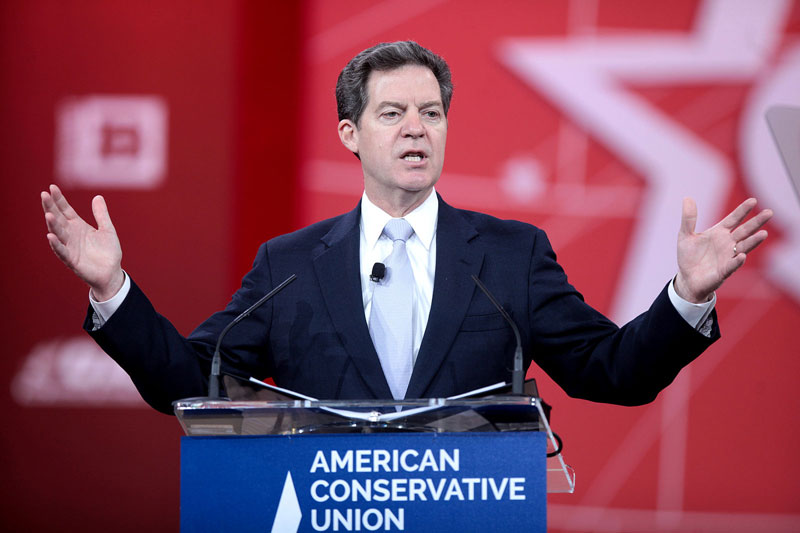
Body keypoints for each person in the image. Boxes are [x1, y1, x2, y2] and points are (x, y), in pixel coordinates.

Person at [41, 41, 772, 415]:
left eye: (433, 112)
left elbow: (615, 374)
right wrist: (113, 289)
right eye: (393, 113)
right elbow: (188, 386)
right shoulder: (289, 266)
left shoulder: (512, 257)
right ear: (351, 133)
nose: (417, 129)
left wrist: (684, 296)